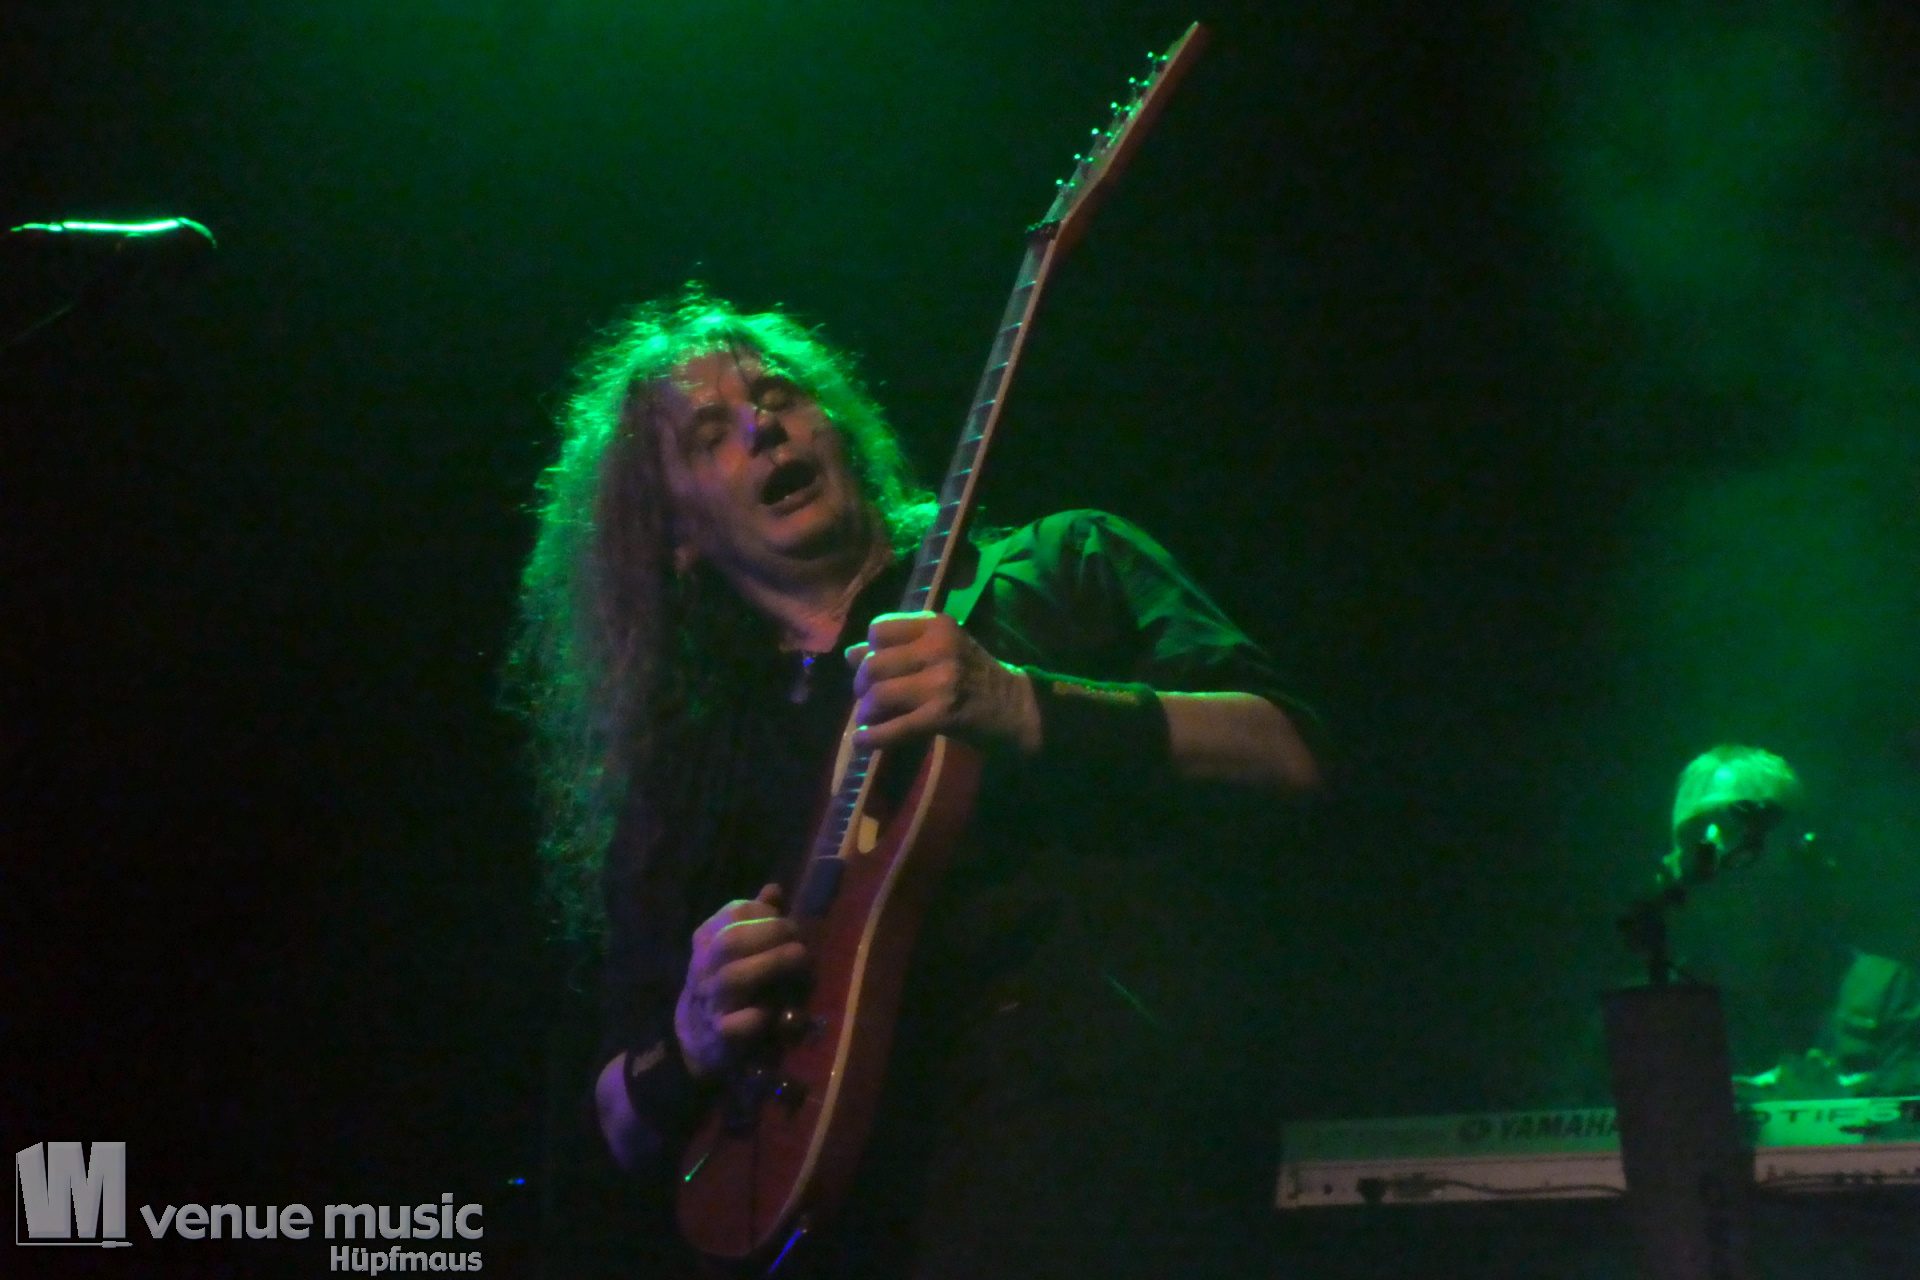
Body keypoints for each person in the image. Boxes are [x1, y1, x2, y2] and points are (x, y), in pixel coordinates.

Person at [509, 287, 1322, 1277]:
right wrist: (691, 1038)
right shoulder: (691, 777)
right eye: (711, 434)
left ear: (839, 426)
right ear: (673, 532)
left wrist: (1021, 702)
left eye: (779, 395)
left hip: (1113, 1168)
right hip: (862, 1224)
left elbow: (1287, 749)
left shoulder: (1063, 562)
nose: (763, 426)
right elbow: (614, 1127)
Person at [1659, 744, 1920, 1100]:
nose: (1713, 848)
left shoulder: (1885, 993)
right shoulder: (1646, 1015)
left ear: (1798, 851)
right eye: (1696, 835)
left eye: (1737, 826)